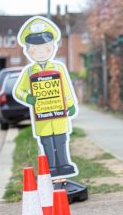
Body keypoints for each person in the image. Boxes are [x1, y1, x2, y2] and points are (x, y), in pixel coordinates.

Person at [13, 16, 79, 179]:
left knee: (61, 140)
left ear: (52, 47)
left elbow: (66, 90)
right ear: (28, 51)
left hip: (59, 115)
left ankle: (64, 164)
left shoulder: (58, 68)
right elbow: (18, 91)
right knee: (47, 142)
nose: (41, 52)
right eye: (36, 49)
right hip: (42, 117)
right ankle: (52, 167)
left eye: (45, 47)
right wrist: (28, 98)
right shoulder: (29, 72)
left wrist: (71, 105)